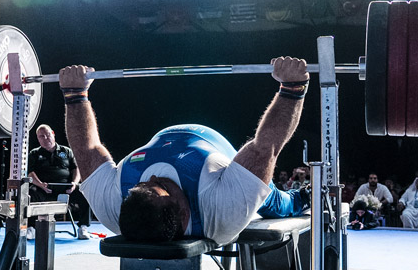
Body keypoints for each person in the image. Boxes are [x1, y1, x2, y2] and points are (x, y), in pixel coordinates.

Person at [59, 57, 310, 245]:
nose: (153, 178)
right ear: (183, 211)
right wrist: (292, 89)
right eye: (162, 187)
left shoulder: (112, 208)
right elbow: (266, 146)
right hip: (218, 151)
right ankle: (304, 197)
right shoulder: (221, 213)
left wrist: (74, 94)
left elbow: (86, 148)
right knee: (278, 202)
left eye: (144, 185)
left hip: (165, 137)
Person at [27, 124, 92, 239]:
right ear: (38, 139)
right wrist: (41, 185)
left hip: (66, 189)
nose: (46, 138)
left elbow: (76, 168)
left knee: (84, 191)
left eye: (47, 135)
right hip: (43, 188)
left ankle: (83, 227)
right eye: (42, 136)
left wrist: (74, 183)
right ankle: (31, 228)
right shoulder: (34, 154)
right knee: (29, 192)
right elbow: (30, 173)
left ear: (53, 134)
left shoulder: (66, 151)